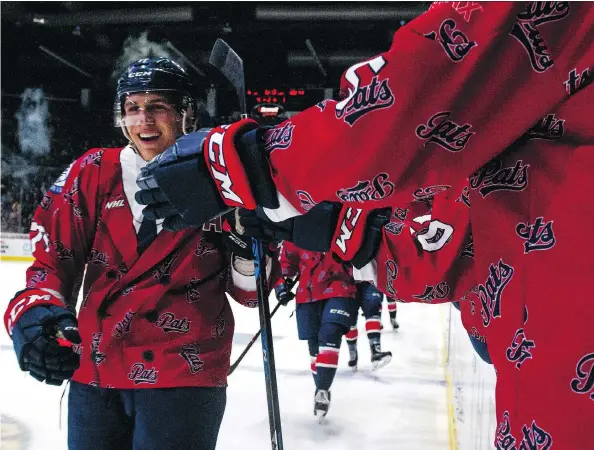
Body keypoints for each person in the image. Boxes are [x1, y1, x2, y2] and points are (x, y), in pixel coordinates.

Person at [134, 3, 594, 448]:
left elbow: (419, 97)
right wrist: (339, 227)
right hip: (543, 356)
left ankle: (356, 351)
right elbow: (456, 251)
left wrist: (246, 165)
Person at [3, 58, 273, 450]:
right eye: (133, 108)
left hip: (183, 373)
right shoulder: (93, 171)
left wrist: (245, 237)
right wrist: (36, 311)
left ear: (185, 113)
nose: (144, 120)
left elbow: (252, 293)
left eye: (158, 106)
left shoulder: (221, 177)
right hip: (95, 368)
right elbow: (51, 263)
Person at [274, 240, 358, 421]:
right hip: (308, 293)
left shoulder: (342, 214)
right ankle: (322, 388)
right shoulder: (296, 220)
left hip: (340, 287)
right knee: (314, 348)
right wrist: (282, 284)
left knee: (330, 333)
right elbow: (288, 261)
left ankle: (322, 387)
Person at [345, 281, 393, 371]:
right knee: (350, 319)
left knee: (373, 307)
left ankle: (376, 350)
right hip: (348, 280)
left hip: (370, 279)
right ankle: (352, 353)